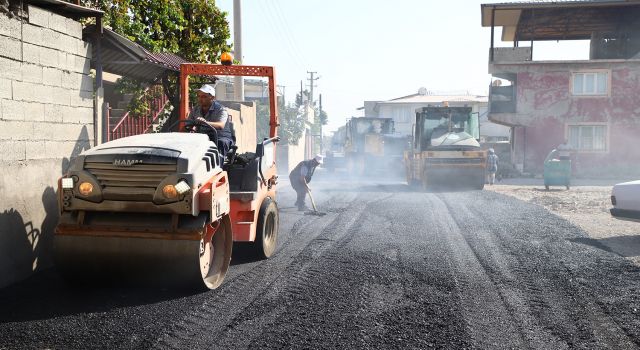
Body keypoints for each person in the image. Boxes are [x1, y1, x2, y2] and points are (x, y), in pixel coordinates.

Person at [188, 84, 235, 163]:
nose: (200, 99)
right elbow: (188, 123)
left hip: (220, 136)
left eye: (204, 96)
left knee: (220, 143)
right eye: (199, 96)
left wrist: (205, 122)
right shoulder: (195, 109)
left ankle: (217, 167)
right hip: (203, 137)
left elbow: (221, 125)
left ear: (212, 98)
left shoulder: (221, 109)